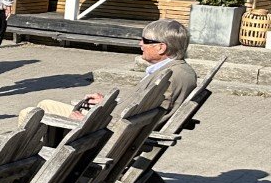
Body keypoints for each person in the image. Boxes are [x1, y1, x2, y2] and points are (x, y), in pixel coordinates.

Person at [27, 19, 197, 125]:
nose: (140, 44)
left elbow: (135, 120)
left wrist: (88, 121)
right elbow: (140, 109)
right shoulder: (183, 71)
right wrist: (107, 102)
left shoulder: (166, 78)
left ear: (161, 47)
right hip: (116, 124)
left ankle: (26, 169)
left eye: (145, 40)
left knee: (31, 113)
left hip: (105, 133)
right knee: (45, 104)